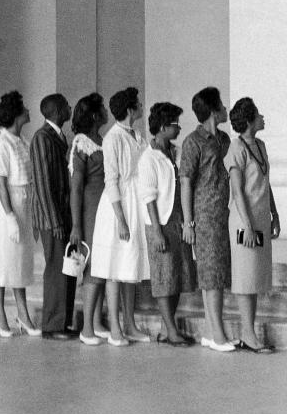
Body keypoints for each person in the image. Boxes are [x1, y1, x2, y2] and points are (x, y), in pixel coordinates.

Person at [89, 86, 151, 347]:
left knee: (130, 267)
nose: (141, 107)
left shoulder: (137, 135)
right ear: (129, 110)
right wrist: (121, 219)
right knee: (115, 267)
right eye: (137, 104)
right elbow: (111, 180)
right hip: (119, 207)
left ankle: (130, 324)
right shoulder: (112, 138)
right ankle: (115, 326)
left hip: (135, 204)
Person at [180, 86, 237, 352]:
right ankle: (216, 334)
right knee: (210, 274)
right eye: (222, 106)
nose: (226, 109)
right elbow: (186, 183)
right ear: (214, 111)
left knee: (217, 273)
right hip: (204, 215)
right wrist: (189, 222)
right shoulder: (193, 142)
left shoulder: (224, 139)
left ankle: (215, 331)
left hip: (221, 213)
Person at [0, 91, 40, 337]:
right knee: (2, 259)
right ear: (17, 115)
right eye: (24, 108)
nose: (28, 111)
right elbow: (1, 183)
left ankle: (23, 315)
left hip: (24, 201)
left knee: (19, 260)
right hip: (8, 205)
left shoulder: (23, 141)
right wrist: (9, 216)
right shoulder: (1, 144)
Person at [138, 101, 196, 346]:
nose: (179, 128)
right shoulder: (148, 159)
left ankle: (166, 327)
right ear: (162, 127)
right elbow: (149, 197)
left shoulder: (177, 151)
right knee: (163, 277)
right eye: (175, 124)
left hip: (177, 219)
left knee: (177, 275)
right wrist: (158, 232)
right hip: (159, 222)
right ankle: (171, 330)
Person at [226, 97, 280, 353]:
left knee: (255, 276)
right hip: (244, 220)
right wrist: (247, 225)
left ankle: (250, 331)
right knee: (245, 276)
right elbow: (237, 191)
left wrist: (275, 214)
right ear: (248, 121)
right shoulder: (236, 148)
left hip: (260, 218)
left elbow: (265, 183)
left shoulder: (260, 145)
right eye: (258, 114)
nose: (262, 117)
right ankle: (248, 333)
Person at [28, 92, 77, 341]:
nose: (70, 108)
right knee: (56, 269)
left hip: (62, 215)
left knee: (66, 268)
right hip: (52, 218)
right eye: (67, 105)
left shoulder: (57, 137)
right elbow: (43, 184)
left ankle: (63, 321)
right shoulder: (41, 138)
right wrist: (54, 221)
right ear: (58, 111)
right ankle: (52, 324)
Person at [67, 92, 110, 345]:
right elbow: (76, 187)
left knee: (103, 264)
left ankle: (95, 321)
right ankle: (86, 328)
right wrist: (75, 224)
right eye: (102, 108)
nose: (106, 111)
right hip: (90, 211)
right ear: (94, 115)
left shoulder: (101, 140)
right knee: (93, 265)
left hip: (104, 210)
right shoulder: (81, 143)